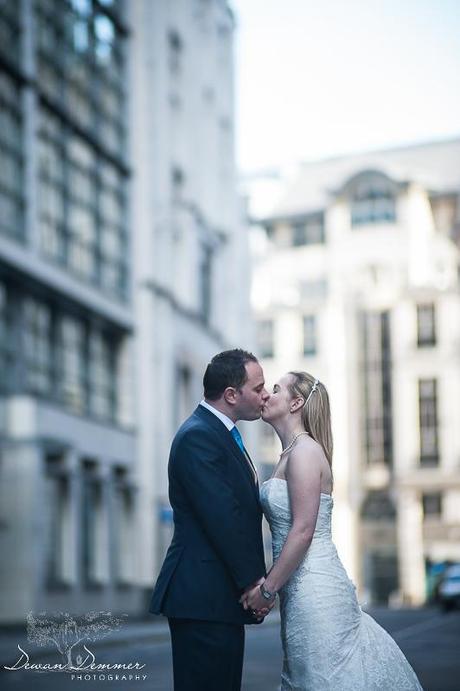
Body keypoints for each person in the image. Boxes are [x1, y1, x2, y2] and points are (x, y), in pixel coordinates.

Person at [241, 371, 424, 690]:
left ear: (296, 402)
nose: (267, 396)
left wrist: (268, 590)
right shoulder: (289, 454)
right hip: (298, 593)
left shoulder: (305, 453)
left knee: (323, 679)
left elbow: (303, 531)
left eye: (276, 390)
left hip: (317, 591)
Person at [149, 349, 274, 691]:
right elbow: (224, 518)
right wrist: (254, 584)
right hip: (202, 597)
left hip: (217, 597)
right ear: (231, 395)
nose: (265, 394)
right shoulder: (198, 437)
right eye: (258, 387)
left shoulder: (221, 433)